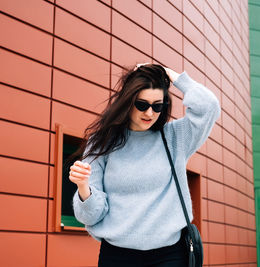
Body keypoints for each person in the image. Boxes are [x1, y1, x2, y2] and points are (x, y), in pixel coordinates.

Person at [69, 63, 220, 266]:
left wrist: (167, 73)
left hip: (170, 255)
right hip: (118, 256)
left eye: (158, 106)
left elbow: (209, 106)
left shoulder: (175, 137)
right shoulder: (102, 143)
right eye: (142, 104)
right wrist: (83, 188)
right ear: (128, 101)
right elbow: (91, 216)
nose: (150, 113)